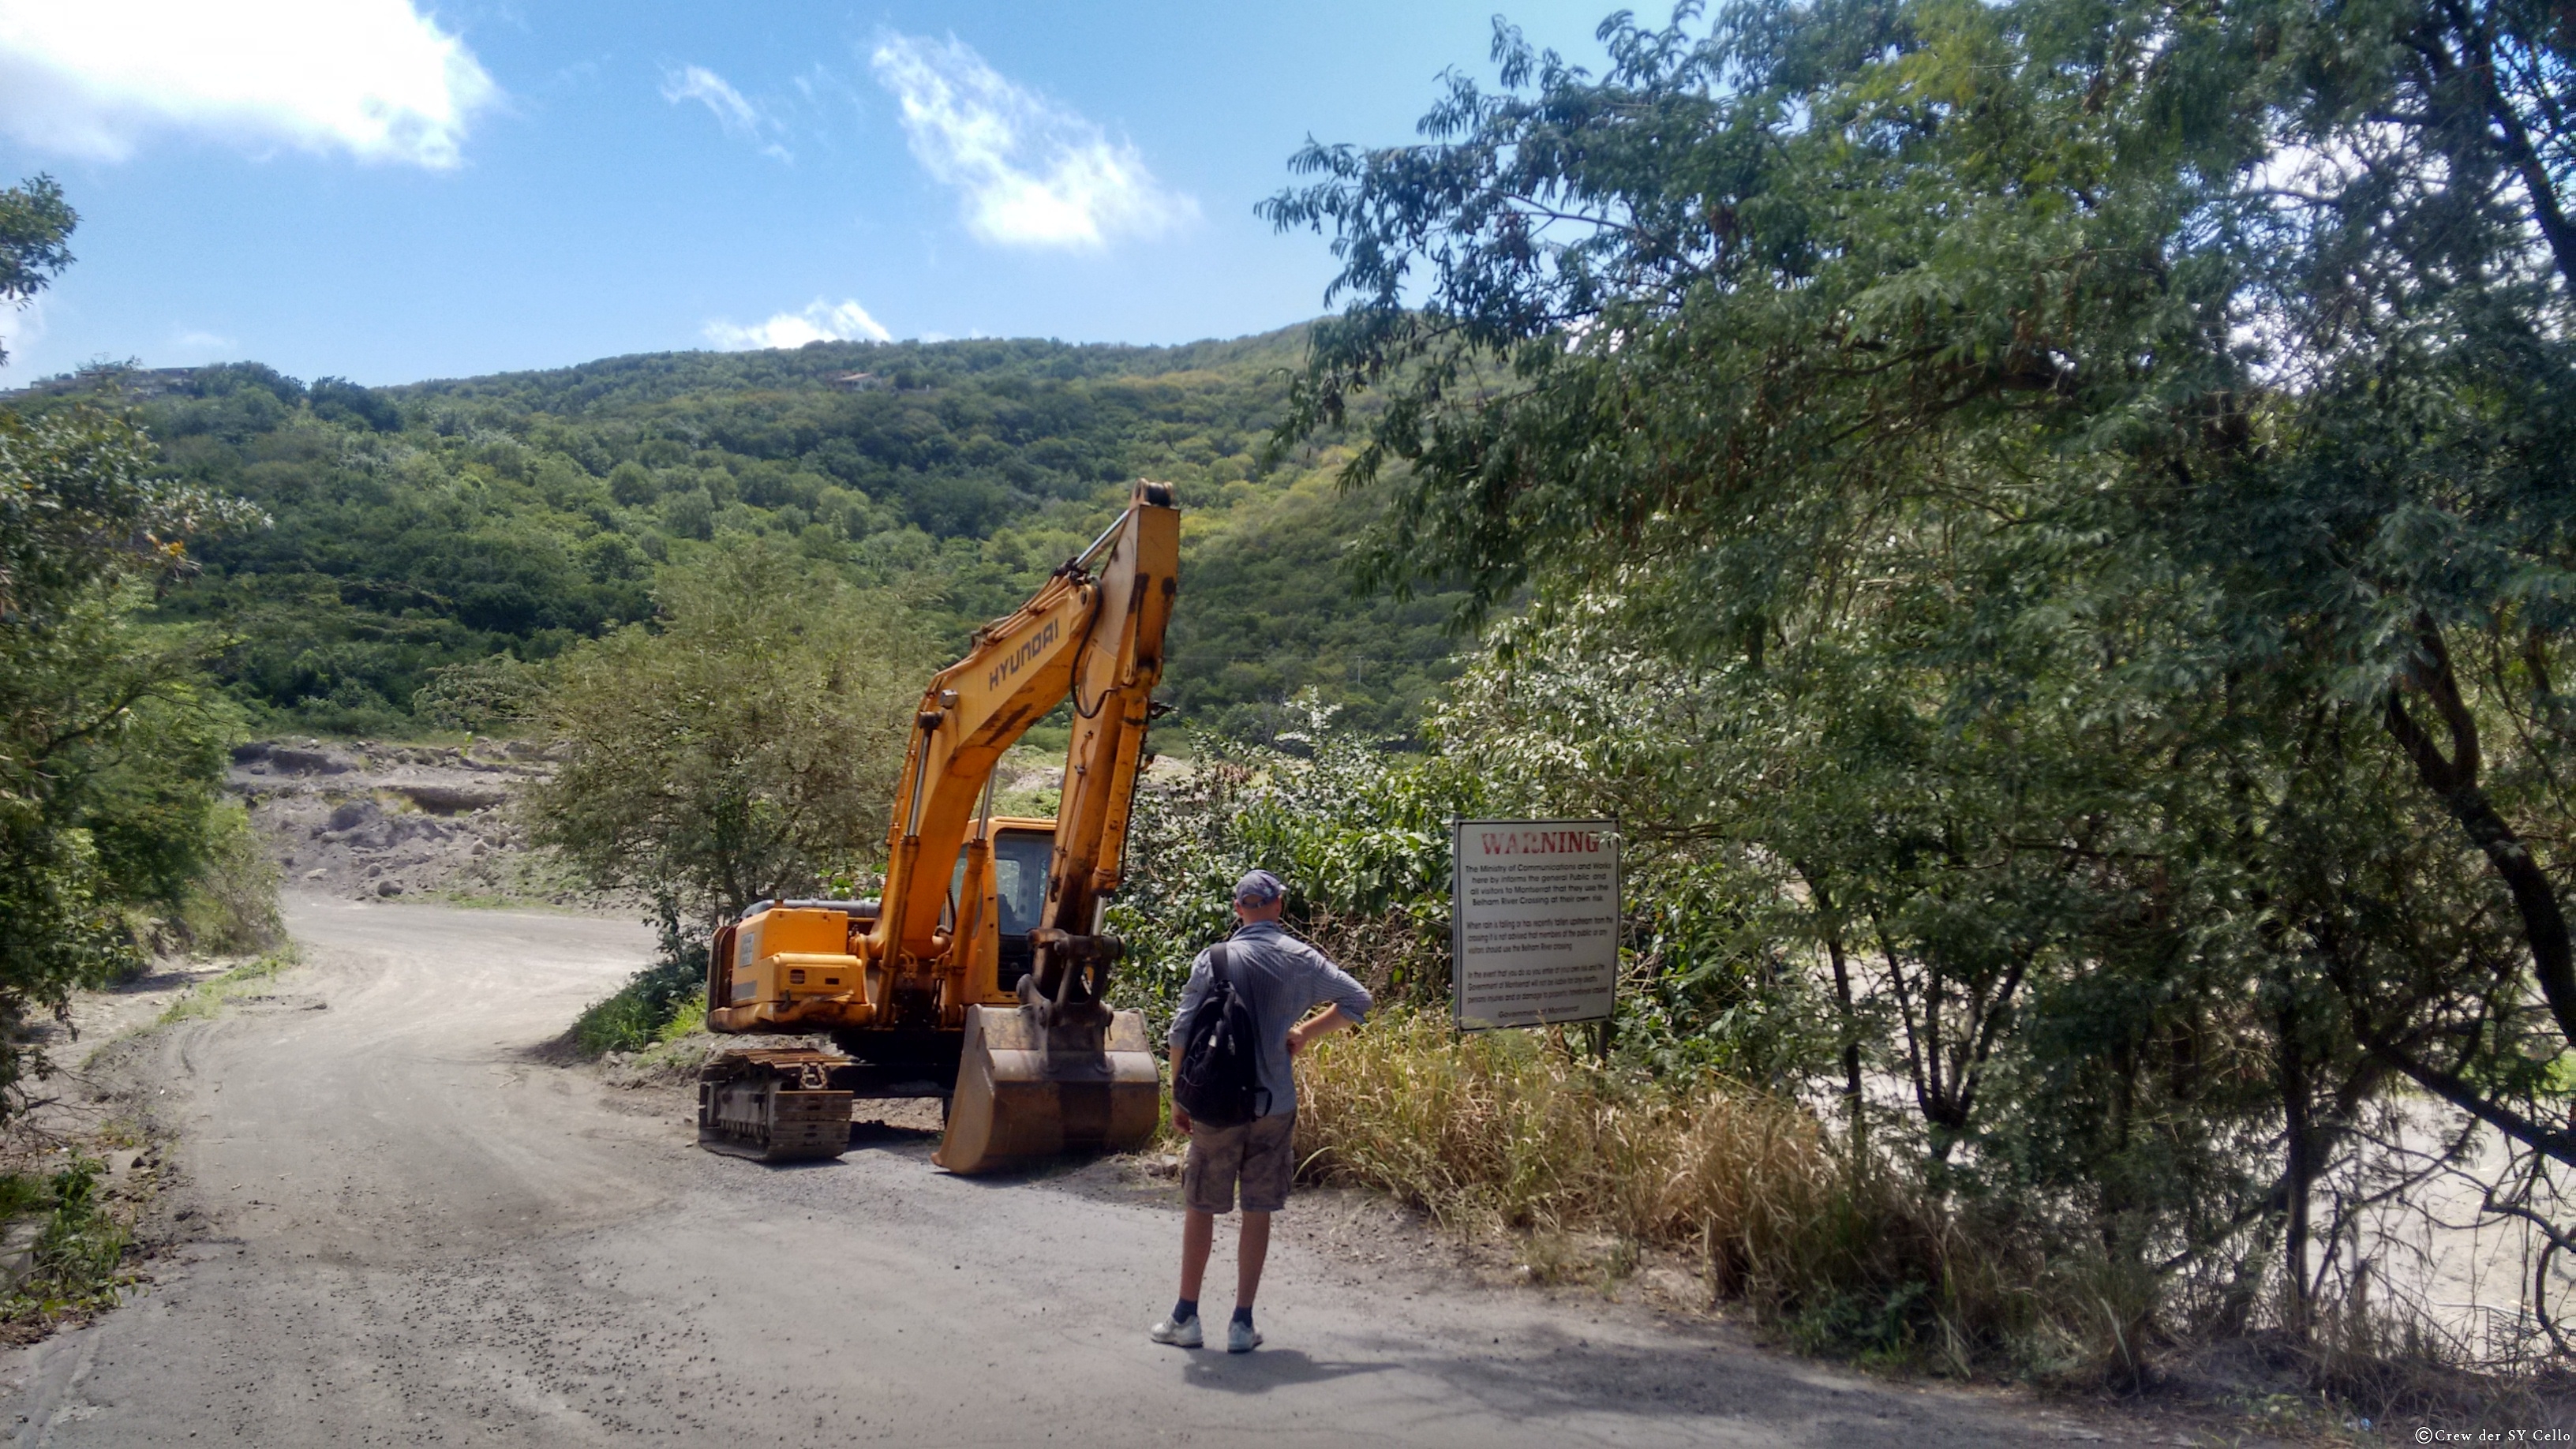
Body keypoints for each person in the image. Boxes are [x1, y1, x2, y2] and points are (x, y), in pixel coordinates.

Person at [1150, 868, 1372, 1353]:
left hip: (1216, 1104)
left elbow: (1180, 1034)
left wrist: (1178, 1097)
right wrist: (1305, 1033)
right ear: (1279, 906)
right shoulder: (1303, 958)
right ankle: (1242, 1324)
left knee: (1201, 1205)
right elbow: (1359, 1000)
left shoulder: (1214, 959)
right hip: (1275, 1105)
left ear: (1237, 909)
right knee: (1258, 1209)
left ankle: (1186, 1317)